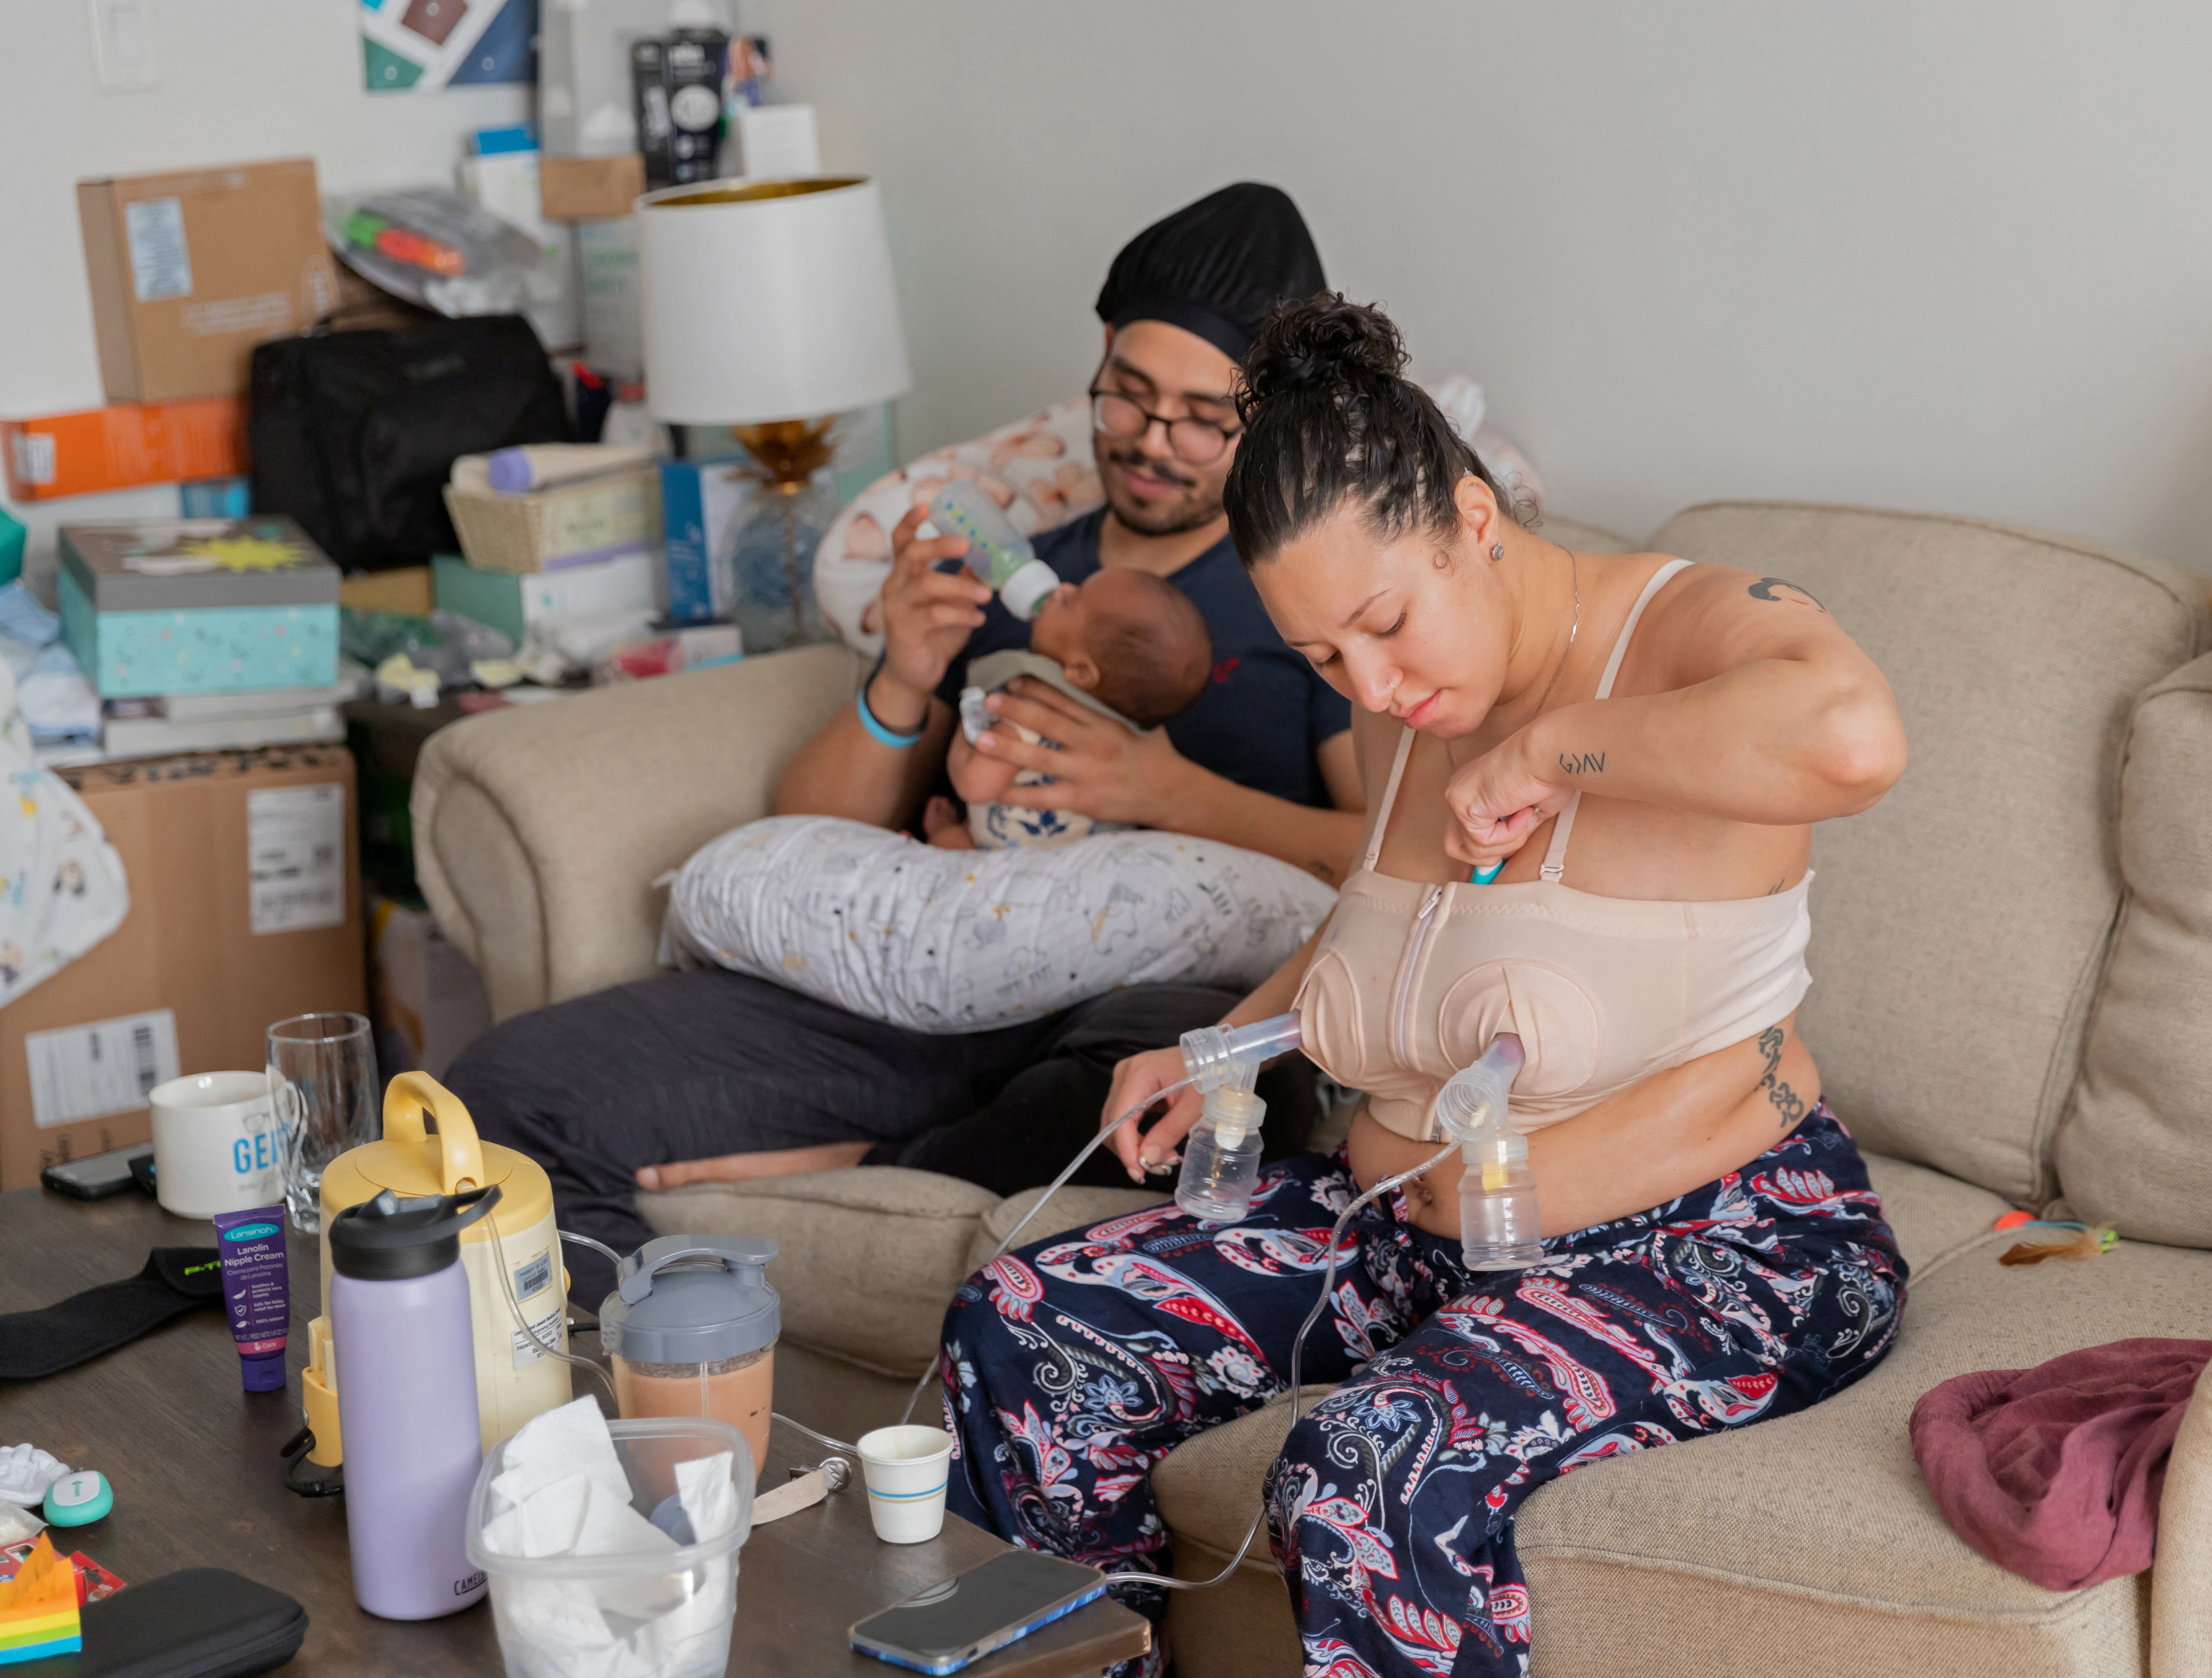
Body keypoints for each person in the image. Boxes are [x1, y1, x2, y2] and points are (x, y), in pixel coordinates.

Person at [939, 296, 1911, 1678]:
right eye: (1327, 657)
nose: (1374, 686)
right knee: (1033, 1324)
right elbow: (1396, 926)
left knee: (1362, 1477)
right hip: (1405, 1235)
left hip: (1714, 1249)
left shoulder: (1683, 625)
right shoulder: (1407, 710)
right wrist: (1215, 1043)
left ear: (1471, 515)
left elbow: (1855, 736)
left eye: (1387, 626)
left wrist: (1555, 752)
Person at [449, 184, 1365, 1303]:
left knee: (1176, 1109)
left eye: (1198, 419)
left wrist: (1168, 792)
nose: (1147, 443)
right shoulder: (1014, 569)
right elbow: (818, 831)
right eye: (1123, 396)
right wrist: (903, 671)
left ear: (1266, 419)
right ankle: (674, 1355)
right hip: (920, 982)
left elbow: (1382, 858)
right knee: (510, 1088)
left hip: (1138, 1007)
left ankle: (875, 1166)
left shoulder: (1308, 597)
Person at [926, 567, 1211, 849]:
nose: (1061, 588)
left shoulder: (1032, 713)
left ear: (1081, 672)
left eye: (1070, 601)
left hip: (1010, 856)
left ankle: (953, 834)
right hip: (1090, 856)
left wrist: (972, 726)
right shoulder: (1129, 735)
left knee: (948, 845)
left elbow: (976, 785)